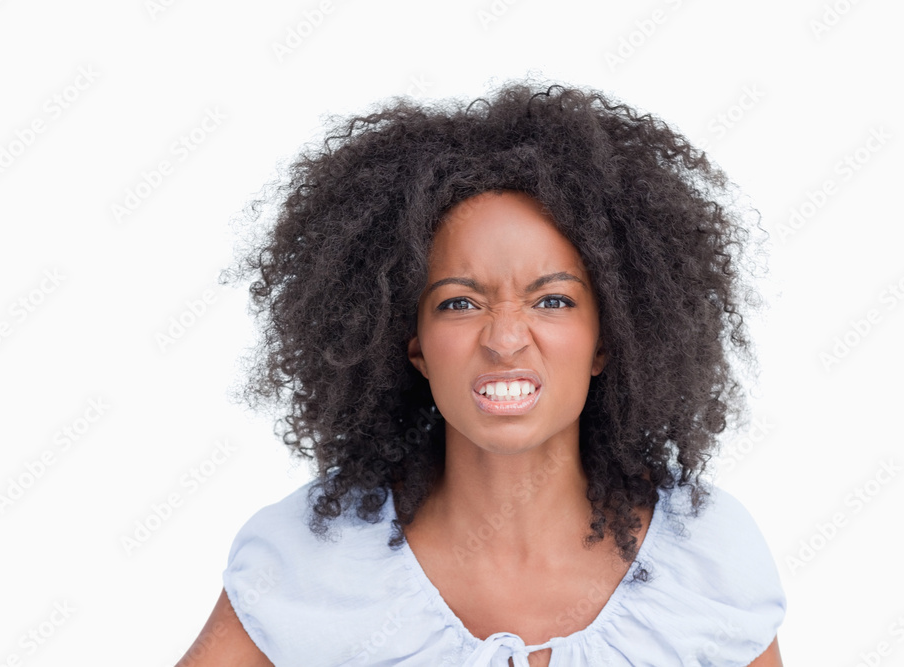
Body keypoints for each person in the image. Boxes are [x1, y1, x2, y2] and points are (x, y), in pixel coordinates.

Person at [176, 79, 786, 667]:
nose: (504, 339)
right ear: (412, 345)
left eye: (552, 300)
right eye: (459, 302)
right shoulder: (308, 562)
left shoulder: (704, 560)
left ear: (608, 341)